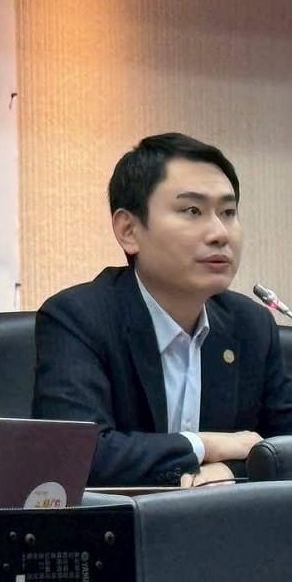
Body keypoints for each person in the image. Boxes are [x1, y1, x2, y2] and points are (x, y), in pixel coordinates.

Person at [32, 132, 292, 488]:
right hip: (124, 522)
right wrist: (204, 445)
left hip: (226, 522)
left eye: (228, 212)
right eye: (192, 211)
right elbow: (75, 454)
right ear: (129, 231)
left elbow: (285, 450)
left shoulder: (250, 325)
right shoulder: (78, 318)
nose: (220, 233)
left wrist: (232, 471)